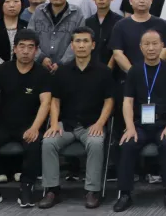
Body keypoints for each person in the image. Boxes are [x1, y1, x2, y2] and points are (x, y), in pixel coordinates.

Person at [39, 27, 114, 209]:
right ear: (72, 45)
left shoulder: (104, 71)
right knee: (48, 142)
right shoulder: (62, 71)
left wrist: (100, 123)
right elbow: (55, 101)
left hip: (92, 124)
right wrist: (54, 124)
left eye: (85, 41)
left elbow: (109, 101)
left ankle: (92, 191)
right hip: (67, 124)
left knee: (96, 143)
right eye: (77, 41)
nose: (81, 45)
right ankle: (52, 190)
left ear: (93, 45)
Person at [0, 29, 51, 208]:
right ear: (15, 49)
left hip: (28, 125)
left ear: (36, 50)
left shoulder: (42, 73)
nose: (26, 51)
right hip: (2, 125)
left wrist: (35, 128)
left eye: (30, 47)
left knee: (34, 143)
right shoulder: (3, 70)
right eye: (21, 46)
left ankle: (26, 188)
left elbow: (46, 103)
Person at [113, 30, 166, 212]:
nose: (151, 48)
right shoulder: (134, 71)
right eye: (147, 44)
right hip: (140, 124)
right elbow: (127, 102)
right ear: (140, 47)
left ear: (162, 46)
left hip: (163, 123)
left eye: (155, 44)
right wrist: (129, 127)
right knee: (127, 144)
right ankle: (125, 193)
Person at [110, 0, 166, 74]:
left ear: (151, 0)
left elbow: (164, 50)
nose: (142, 1)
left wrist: (151, 69)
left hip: (156, 74)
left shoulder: (162, 24)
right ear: (130, 1)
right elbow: (117, 53)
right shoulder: (120, 25)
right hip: (128, 77)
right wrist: (135, 73)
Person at [28, 0, 86, 70]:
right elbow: (29, 38)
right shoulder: (39, 11)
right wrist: (41, 58)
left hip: (67, 69)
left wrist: (62, 63)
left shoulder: (77, 13)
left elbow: (78, 41)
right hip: (39, 67)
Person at [85, 0, 124, 64]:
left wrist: (108, 68)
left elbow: (120, 49)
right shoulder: (87, 22)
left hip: (114, 68)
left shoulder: (120, 22)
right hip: (91, 67)